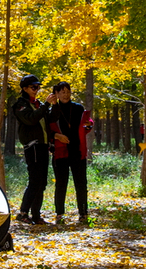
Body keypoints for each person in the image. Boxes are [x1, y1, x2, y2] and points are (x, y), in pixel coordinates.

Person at [12, 74, 56, 225]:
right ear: (24, 89)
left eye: (38, 87)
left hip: (43, 146)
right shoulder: (20, 105)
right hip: (33, 146)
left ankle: (36, 215)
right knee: (35, 181)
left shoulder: (38, 104)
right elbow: (30, 119)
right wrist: (45, 105)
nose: (36, 90)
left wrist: (52, 105)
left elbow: (47, 121)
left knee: (42, 182)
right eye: (33, 87)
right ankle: (23, 212)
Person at [49, 81, 93, 225]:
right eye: (62, 92)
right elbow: (47, 130)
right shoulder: (52, 111)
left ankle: (83, 213)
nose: (65, 94)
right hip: (60, 152)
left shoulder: (78, 108)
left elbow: (88, 122)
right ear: (56, 94)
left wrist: (88, 125)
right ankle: (60, 214)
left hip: (77, 151)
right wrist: (57, 136)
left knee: (81, 183)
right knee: (61, 184)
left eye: (67, 91)